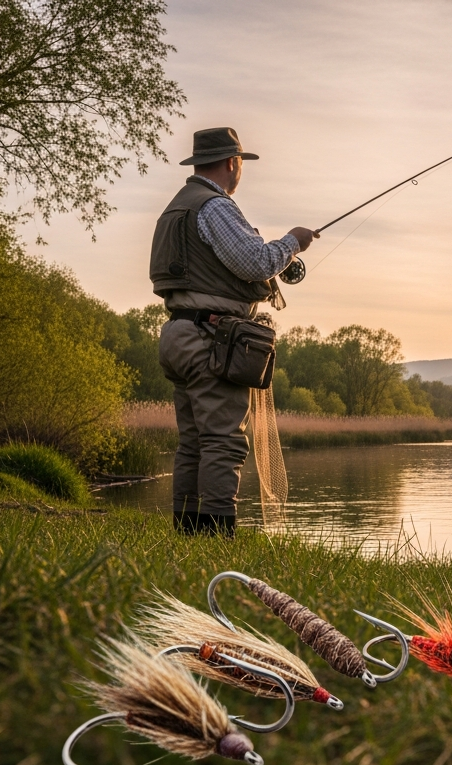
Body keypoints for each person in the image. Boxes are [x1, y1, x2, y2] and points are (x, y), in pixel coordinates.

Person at [149, 127, 318, 536]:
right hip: (210, 339)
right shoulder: (215, 206)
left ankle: (187, 533)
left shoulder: (175, 208)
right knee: (224, 441)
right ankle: (216, 538)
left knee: (193, 442)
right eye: (241, 163)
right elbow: (256, 263)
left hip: (178, 334)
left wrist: (279, 259)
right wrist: (293, 242)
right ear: (232, 163)